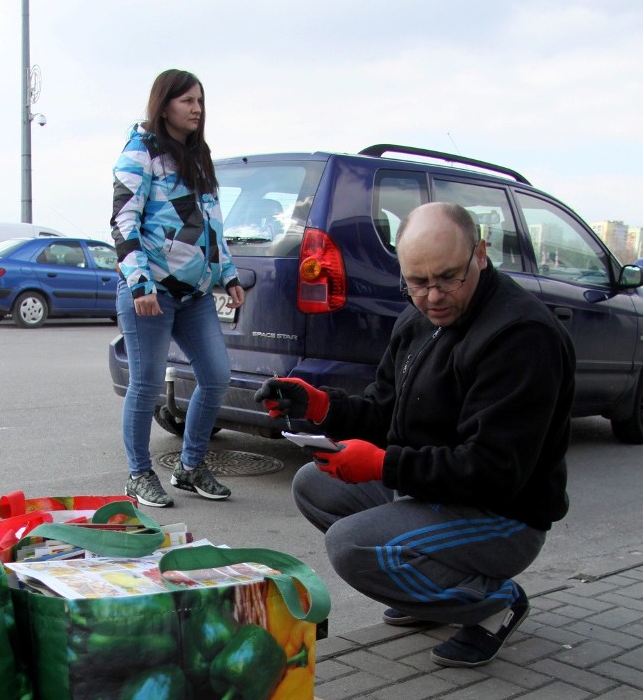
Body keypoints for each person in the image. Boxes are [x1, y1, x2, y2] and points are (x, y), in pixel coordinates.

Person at [255, 201, 575, 668]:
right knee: (312, 482)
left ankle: (494, 602)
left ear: (480, 254)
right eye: (417, 282)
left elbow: (493, 472)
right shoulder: (419, 318)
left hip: (506, 515)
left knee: (352, 546)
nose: (433, 296)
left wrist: (383, 464)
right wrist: (321, 406)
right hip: (441, 490)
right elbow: (387, 412)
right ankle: (432, 593)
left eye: (449, 277)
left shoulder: (521, 337)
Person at [111, 68, 245, 507]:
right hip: (150, 293)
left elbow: (212, 225)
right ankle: (138, 474)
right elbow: (123, 221)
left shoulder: (197, 156)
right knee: (146, 384)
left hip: (195, 295)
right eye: (187, 100)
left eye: (200, 102)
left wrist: (228, 275)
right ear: (164, 104)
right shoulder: (141, 151)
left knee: (216, 375)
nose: (196, 109)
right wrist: (139, 283)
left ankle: (190, 467)